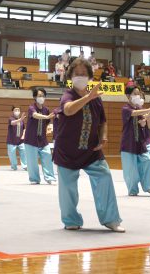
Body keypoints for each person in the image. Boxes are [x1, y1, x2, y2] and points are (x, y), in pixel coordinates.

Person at [53, 58, 124, 232]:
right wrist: (87, 97)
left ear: (90, 76)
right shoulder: (68, 95)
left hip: (91, 150)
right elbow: (69, 109)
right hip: (67, 150)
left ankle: (111, 219)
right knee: (68, 187)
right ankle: (71, 220)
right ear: (70, 76)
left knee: (104, 176)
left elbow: (102, 122)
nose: (80, 76)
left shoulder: (96, 98)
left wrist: (103, 137)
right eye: (77, 74)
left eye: (84, 74)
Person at [121, 87, 150, 196]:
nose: (138, 96)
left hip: (140, 142)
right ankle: (133, 190)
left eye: (139, 93)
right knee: (131, 171)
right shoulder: (125, 108)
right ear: (128, 96)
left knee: (147, 162)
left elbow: (142, 122)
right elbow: (134, 113)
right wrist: (148, 110)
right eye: (135, 94)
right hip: (128, 144)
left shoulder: (139, 108)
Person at [25, 88, 56, 185]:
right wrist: (46, 117)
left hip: (42, 139)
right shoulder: (31, 108)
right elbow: (35, 115)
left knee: (47, 156)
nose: (41, 97)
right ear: (34, 97)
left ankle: (50, 177)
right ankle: (34, 179)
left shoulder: (46, 109)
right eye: (39, 96)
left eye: (43, 95)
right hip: (31, 139)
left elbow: (47, 123)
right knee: (32, 161)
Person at [7, 106, 27, 171]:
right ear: (13, 111)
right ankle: (14, 166)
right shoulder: (11, 118)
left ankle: (25, 166)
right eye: (16, 110)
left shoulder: (22, 121)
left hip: (21, 140)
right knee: (12, 155)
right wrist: (20, 119)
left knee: (24, 152)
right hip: (12, 140)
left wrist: (23, 135)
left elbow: (24, 128)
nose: (17, 111)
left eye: (18, 110)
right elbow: (12, 123)